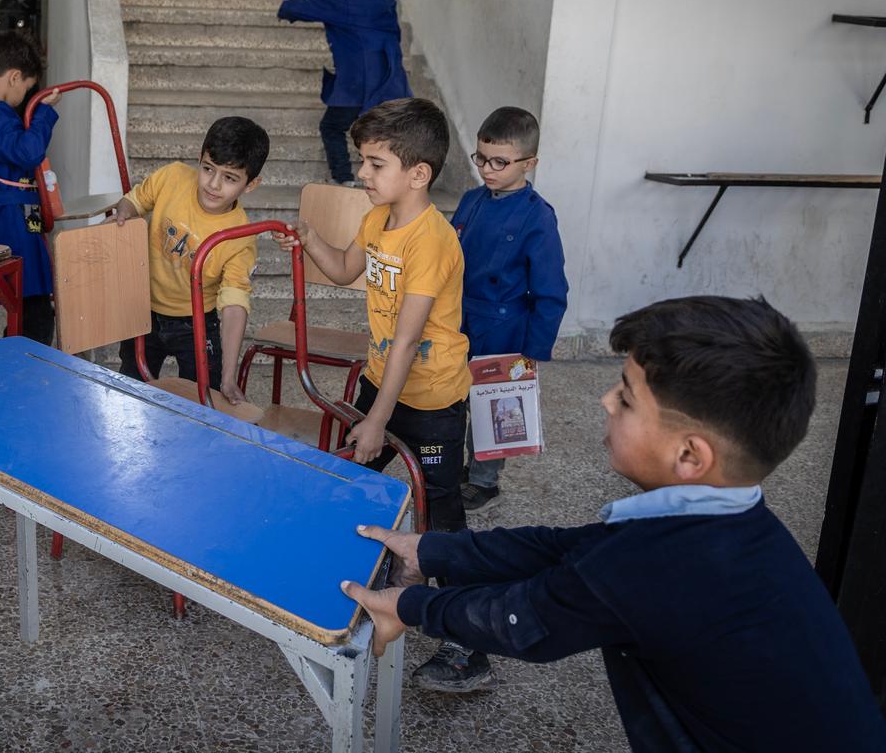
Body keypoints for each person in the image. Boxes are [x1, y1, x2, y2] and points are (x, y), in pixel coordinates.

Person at [342, 296, 886, 751]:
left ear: (691, 456)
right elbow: (561, 550)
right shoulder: (728, 523)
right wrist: (429, 551)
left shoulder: (660, 567)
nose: (603, 401)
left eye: (625, 397)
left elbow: (521, 620)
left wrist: (407, 607)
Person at [274, 97, 486, 691]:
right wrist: (310, 240)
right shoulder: (379, 219)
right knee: (352, 484)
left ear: (418, 173)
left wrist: (376, 422)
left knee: (443, 522)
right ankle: (357, 597)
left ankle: (467, 649)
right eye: (361, 162)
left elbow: (408, 341)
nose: (361, 175)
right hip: (382, 382)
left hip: (434, 397)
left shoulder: (433, 240)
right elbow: (345, 269)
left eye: (373, 164)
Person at [453, 106, 568, 511]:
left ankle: (485, 481)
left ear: (530, 163)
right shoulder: (470, 201)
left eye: (499, 161)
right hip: (459, 318)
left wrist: (533, 351)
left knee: (492, 405)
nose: (487, 168)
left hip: (504, 327)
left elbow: (551, 291)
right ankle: (454, 468)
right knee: (452, 397)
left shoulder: (538, 217)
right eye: (481, 158)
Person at [112, 116, 270, 403]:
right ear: (199, 158)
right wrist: (123, 214)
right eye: (208, 169)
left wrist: (228, 376)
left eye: (230, 178)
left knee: (202, 402)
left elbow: (235, 305)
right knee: (129, 392)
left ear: (251, 184)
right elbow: (134, 201)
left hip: (196, 323)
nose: (213, 184)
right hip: (142, 313)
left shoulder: (240, 236)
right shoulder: (172, 177)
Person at [278, 0, 411, 186]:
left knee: (331, 127)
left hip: (356, 86)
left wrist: (284, 10)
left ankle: (344, 180)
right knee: (381, 134)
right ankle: (389, 180)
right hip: (389, 83)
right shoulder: (386, 3)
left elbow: (300, 8)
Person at [0, 28, 60, 346]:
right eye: (27, 89)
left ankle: (15, 356)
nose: (24, 98)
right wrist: (43, 111)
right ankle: (25, 369)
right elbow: (28, 151)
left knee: (24, 306)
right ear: (15, 77)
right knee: (36, 310)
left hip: (3, 215)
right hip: (12, 220)